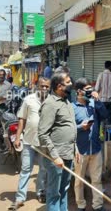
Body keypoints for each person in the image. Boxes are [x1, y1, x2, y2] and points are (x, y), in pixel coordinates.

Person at [8, 77, 51, 210]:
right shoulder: (29, 99)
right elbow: (22, 119)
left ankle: (40, 192)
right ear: (37, 86)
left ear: (49, 87)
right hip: (28, 141)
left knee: (43, 169)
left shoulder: (52, 101)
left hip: (44, 142)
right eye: (41, 86)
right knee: (26, 168)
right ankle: (20, 197)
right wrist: (17, 137)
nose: (44, 88)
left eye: (46, 86)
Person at [38, 71, 76, 211]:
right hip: (56, 157)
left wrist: (75, 149)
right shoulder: (50, 104)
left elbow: (69, 127)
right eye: (68, 82)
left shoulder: (66, 101)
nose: (71, 84)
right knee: (54, 193)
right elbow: (43, 134)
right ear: (59, 86)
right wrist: (55, 156)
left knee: (64, 189)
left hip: (68, 154)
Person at [72, 78, 109, 211]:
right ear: (79, 91)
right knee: (79, 180)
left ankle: (98, 205)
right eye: (87, 90)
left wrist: (98, 101)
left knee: (97, 179)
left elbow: (105, 115)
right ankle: (81, 205)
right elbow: (69, 130)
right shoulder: (72, 108)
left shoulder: (94, 104)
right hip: (80, 151)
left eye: (91, 89)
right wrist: (81, 127)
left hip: (96, 149)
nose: (90, 92)